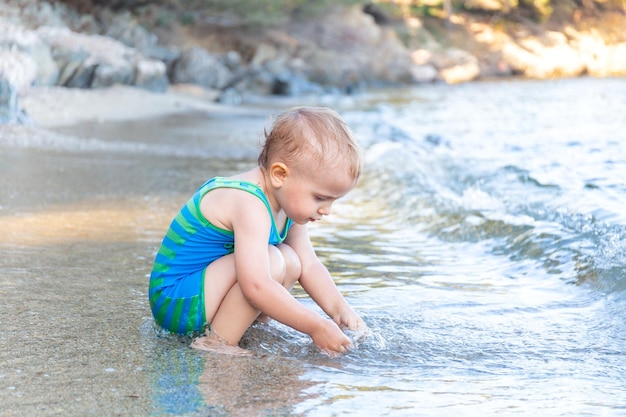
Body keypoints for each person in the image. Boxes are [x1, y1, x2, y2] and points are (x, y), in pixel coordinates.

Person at [149, 106, 367, 356]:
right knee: (272, 262)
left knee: (292, 260)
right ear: (279, 175)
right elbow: (255, 284)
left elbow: (310, 265)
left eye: (333, 201)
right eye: (320, 198)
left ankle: (248, 325)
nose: (326, 210)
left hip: (205, 295)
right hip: (176, 302)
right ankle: (216, 342)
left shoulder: (287, 200)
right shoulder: (249, 202)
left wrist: (341, 312)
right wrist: (316, 326)